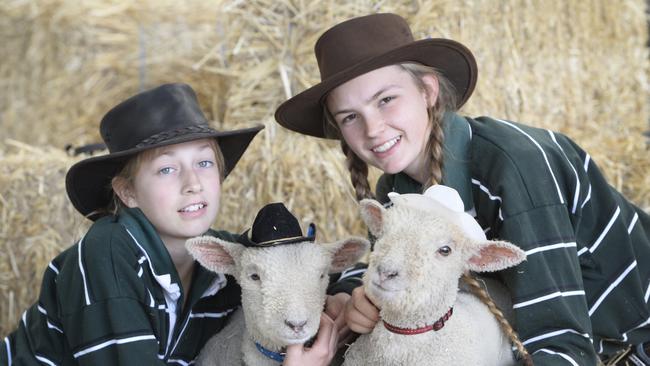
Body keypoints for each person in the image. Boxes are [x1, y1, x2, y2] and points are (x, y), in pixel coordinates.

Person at [274, 13, 650, 366]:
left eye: (386, 100)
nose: (372, 130)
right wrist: (357, 294)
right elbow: (398, 270)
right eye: (350, 117)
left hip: (628, 347)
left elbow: (559, 336)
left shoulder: (516, 166)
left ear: (427, 90)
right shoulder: (400, 187)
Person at [0, 83, 339, 365]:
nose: (193, 183)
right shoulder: (109, 252)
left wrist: (344, 295)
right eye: (166, 169)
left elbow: (305, 268)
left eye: (204, 162)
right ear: (128, 192)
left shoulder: (218, 257)